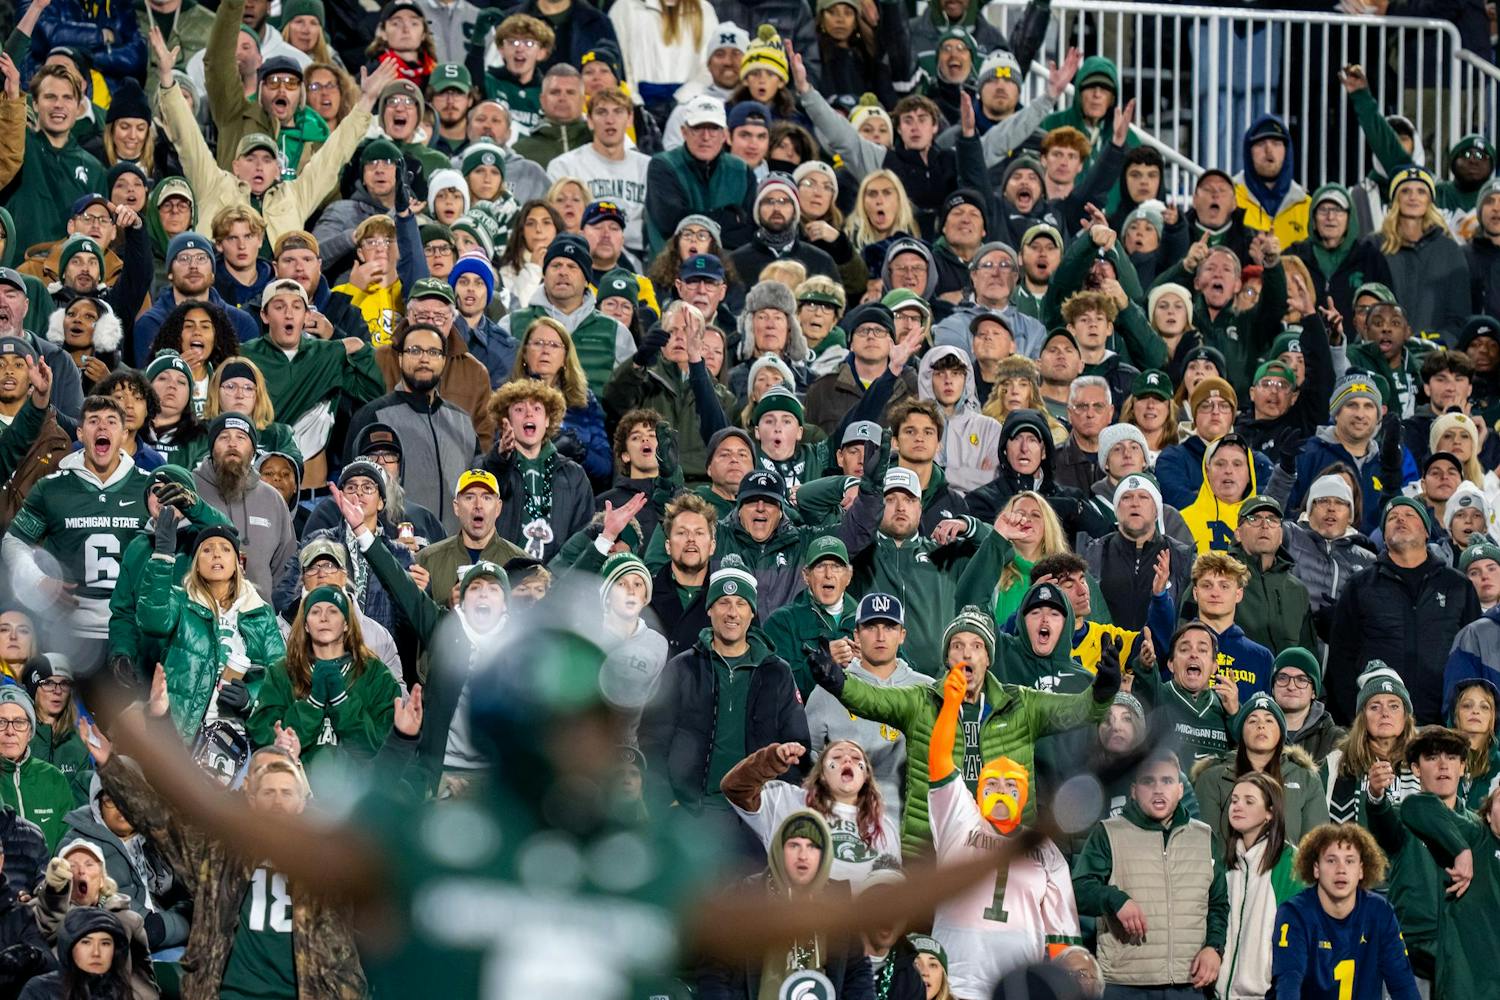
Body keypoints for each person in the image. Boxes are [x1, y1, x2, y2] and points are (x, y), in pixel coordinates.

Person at [87, 720, 376, 998]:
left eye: (286, 793)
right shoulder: (219, 855)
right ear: (252, 799)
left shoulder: (328, 865)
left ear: (302, 801)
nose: (277, 802)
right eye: (269, 792)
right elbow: (158, 820)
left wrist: (399, 739)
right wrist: (111, 767)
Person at [807, 599, 1118, 855]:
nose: (967, 653)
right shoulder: (920, 700)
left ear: (988, 658)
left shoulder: (1022, 704)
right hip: (930, 849)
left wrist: (1102, 691)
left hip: (1003, 846)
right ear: (947, 658)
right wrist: (838, 682)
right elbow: (871, 699)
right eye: (957, 645)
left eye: (977, 646)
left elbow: (1078, 711)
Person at [925, 662, 1082, 998]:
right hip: (956, 985)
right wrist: (951, 706)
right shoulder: (960, 820)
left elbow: (1062, 937)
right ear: (978, 791)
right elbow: (939, 763)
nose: (1000, 791)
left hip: (1017, 991)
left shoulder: (1045, 849)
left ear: (1024, 796)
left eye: (1011, 786)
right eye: (991, 784)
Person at [638, 566, 810, 812]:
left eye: (741, 603)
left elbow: (797, 744)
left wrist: (778, 806)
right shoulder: (683, 668)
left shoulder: (777, 672)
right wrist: (665, 800)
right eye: (723, 603)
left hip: (758, 811)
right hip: (694, 811)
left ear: (752, 612)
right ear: (709, 609)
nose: (732, 613)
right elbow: (653, 739)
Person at [3, 393, 149, 666]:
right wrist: (37, 581)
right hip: (67, 633)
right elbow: (13, 541)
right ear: (80, 433)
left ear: (124, 433)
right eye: (93, 421)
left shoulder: (149, 487)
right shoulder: (52, 488)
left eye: (111, 421)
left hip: (131, 632)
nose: (102, 426)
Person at [1071, 748, 1228, 996]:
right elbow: (1079, 890)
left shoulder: (1204, 836)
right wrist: (1115, 900)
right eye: (1148, 781)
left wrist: (1214, 948)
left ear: (1180, 789)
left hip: (1188, 984)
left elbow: (1218, 904)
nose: (1158, 789)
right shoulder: (1107, 833)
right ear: (1134, 790)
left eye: (1167, 781)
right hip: (1125, 984)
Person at [1327, 497, 1481, 724]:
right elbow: (1341, 658)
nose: (1400, 519)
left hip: (1443, 724)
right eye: (1392, 518)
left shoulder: (1458, 585)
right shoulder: (1360, 586)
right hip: (1378, 725)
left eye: (1409, 515)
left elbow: (1473, 655)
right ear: (1384, 536)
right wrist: (1356, 716)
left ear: (1427, 531)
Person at [697, 809, 873, 1000]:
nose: (803, 855)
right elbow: (715, 970)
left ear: (824, 855)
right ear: (780, 850)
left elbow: (858, 972)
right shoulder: (746, 895)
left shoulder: (838, 902)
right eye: (794, 845)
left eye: (813, 846)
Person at [140, 515, 284, 743]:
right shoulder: (181, 602)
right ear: (196, 564)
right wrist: (163, 556)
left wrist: (249, 696)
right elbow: (152, 620)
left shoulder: (260, 612)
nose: (216, 554)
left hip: (241, 737)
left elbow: (281, 678)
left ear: (238, 563)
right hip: (185, 735)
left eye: (225, 549)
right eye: (207, 550)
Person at [803, 592, 929, 832]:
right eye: (871, 627)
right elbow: (808, 757)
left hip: (910, 829)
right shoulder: (829, 689)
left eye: (889, 627)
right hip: (843, 827)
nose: (880, 636)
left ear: (902, 635)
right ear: (856, 635)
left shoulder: (926, 689)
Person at [348, 321, 479, 536]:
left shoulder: (463, 422)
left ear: (443, 360)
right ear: (400, 358)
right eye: (415, 350)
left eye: (433, 352)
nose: (424, 359)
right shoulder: (373, 416)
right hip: (394, 546)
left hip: (454, 548)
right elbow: (351, 488)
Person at [247, 584, 399, 768]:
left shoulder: (375, 674)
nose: (324, 618)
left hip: (358, 784)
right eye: (315, 612)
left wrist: (341, 702)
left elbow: (380, 749)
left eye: (333, 611)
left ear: (346, 623)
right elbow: (264, 737)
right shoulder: (282, 672)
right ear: (306, 625)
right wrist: (313, 704)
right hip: (297, 783)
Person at [1271, 822, 1420, 999]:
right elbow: (1288, 984)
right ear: (1316, 868)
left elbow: (1403, 985)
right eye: (1331, 860)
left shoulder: (1380, 912)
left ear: (1361, 870)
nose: (1341, 870)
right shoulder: (1294, 913)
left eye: (1349, 861)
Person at [723, 738, 899, 889]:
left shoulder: (884, 827)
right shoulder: (786, 800)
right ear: (822, 773)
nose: (847, 759)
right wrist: (772, 759)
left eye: (856, 758)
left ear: (866, 775)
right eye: (836, 757)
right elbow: (735, 788)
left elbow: (892, 886)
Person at [1193, 692, 1331, 846]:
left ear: (1281, 733)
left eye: (1269, 720)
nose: (1261, 725)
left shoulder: (1306, 779)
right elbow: (1205, 845)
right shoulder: (1212, 779)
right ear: (1241, 732)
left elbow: (1317, 845)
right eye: (1252, 721)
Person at [1214, 771, 1304, 1000]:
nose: (1237, 806)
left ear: (1270, 813)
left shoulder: (1290, 864)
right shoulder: (1225, 864)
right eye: (1234, 800)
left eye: (1249, 801)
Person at [190, 411, 298, 600]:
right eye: (224, 437)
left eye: (241, 437)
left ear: (253, 450)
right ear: (212, 448)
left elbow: (286, 572)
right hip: (197, 611)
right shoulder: (190, 489)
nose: (232, 444)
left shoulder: (273, 499)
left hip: (258, 614)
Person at [1322, 666, 1421, 827]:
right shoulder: (1334, 763)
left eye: (1394, 706)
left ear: (1405, 716)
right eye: (1375, 706)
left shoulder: (1424, 761)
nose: (1385, 713)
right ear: (1362, 717)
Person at [414, 469, 526, 610]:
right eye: (469, 497)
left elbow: (531, 620)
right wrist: (447, 607)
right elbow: (412, 618)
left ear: (498, 508)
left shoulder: (522, 564)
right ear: (456, 507)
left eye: (486, 498)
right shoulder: (426, 560)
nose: (478, 505)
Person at [0, 688, 73, 851]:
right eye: (1, 722)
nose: (10, 731)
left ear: (30, 731)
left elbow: (67, 844)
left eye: (19, 722)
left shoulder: (54, 779)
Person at [1272, 648, 1347, 765]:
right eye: (1283, 678)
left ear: (1314, 692)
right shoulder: (1255, 730)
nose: (1291, 686)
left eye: (1301, 680)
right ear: (1272, 688)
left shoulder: (1335, 739)